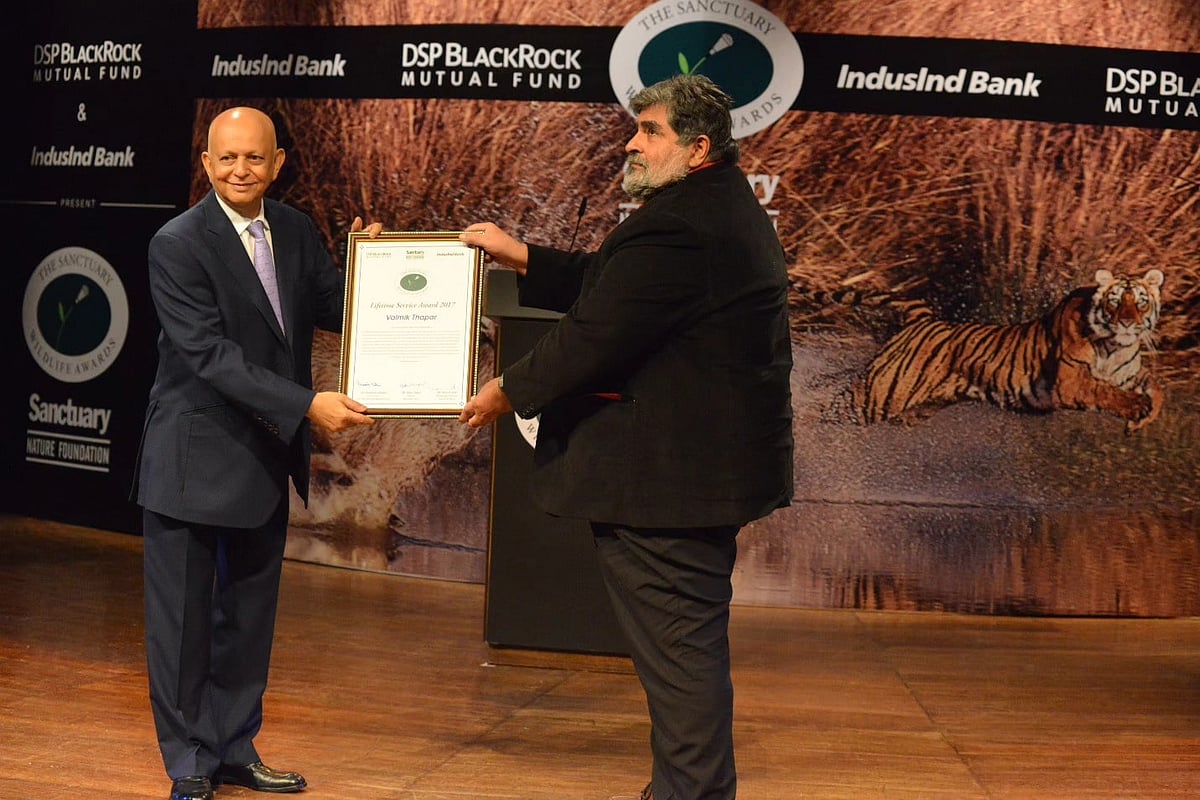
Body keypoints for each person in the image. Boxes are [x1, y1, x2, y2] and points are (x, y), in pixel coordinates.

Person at [458, 74, 794, 800]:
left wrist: (508, 389)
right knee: (682, 657)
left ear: (698, 146)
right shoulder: (706, 207)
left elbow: (600, 331)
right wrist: (525, 258)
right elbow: (620, 286)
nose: (632, 142)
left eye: (650, 130)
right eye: (635, 127)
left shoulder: (681, 223)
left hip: (669, 490)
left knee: (680, 659)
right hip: (691, 483)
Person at [132, 106, 379, 800]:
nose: (241, 169)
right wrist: (307, 405)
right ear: (206, 165)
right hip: (193, 457)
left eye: (255, 158)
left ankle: (235, 747)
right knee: (180, 627)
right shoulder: (176, 243)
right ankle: (187, 762)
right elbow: (211, 357)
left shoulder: (295, 230)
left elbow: (337, 306)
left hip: (265, 456)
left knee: (247, 620)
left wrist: (377, 266)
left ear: (277, 164)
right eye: (227, 158)